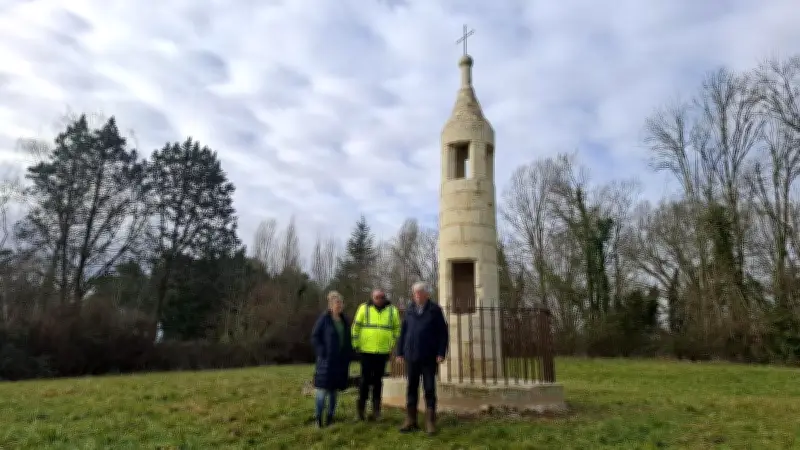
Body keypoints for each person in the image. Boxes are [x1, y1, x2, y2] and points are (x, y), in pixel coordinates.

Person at [396, 281, 449, 435]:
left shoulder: (435, 310)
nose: (417, 296)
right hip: (411, 356)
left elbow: (442, 334)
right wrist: (399, 352)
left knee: (429, 389)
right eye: (415, 293)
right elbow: (403, 332)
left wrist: (441, 352)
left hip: (429, 357)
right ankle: (410, 420)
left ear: (427, 294)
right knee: (411, 388)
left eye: (420, 293)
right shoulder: (410, 310)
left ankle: (430, 422)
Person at [351, 288, 400, 421]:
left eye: (381, 297)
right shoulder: (364, 308)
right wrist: (356, 345)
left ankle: (376, 411)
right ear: (372, 297)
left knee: (378, 382)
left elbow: (397, 328)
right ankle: (360, 411)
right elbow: (356, 327)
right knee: (364, 381)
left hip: (382, 352)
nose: (379, 299)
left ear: (385, 298)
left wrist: (392, 343)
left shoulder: (392, 310)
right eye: (376, 297)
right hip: (366, 351)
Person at [311, 291, 353, 428]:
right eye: (336, 303)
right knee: (322, 392)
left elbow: (347, 340)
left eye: (341, 303)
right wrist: (322, 351)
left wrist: (349, 354)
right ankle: (318, 419)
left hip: (340, 362)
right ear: (330, 305)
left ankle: (330, 418)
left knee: (334, 393)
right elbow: (315, 337)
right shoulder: (324, 319)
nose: (339, 306)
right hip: (326, 362)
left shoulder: (345, 320)